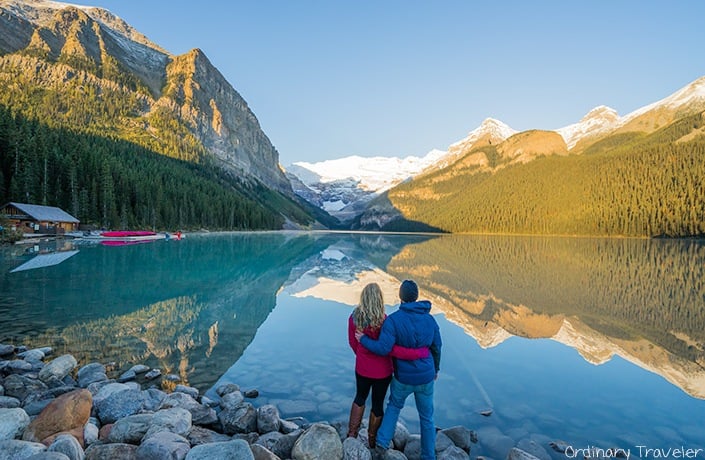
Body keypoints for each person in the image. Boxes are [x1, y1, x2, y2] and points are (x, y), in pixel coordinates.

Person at [356, 279, 442, 460]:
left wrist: (363, 339)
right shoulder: (430, 320)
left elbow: (383, 348)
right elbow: (437, 347)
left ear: (400, 297)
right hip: (426, 376)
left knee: (394, 407)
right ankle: (428, 456)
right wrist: (436, 369)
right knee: (427, 418)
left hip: (403, 377)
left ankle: (381, 443)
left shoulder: (394, 320)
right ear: (416, 296)